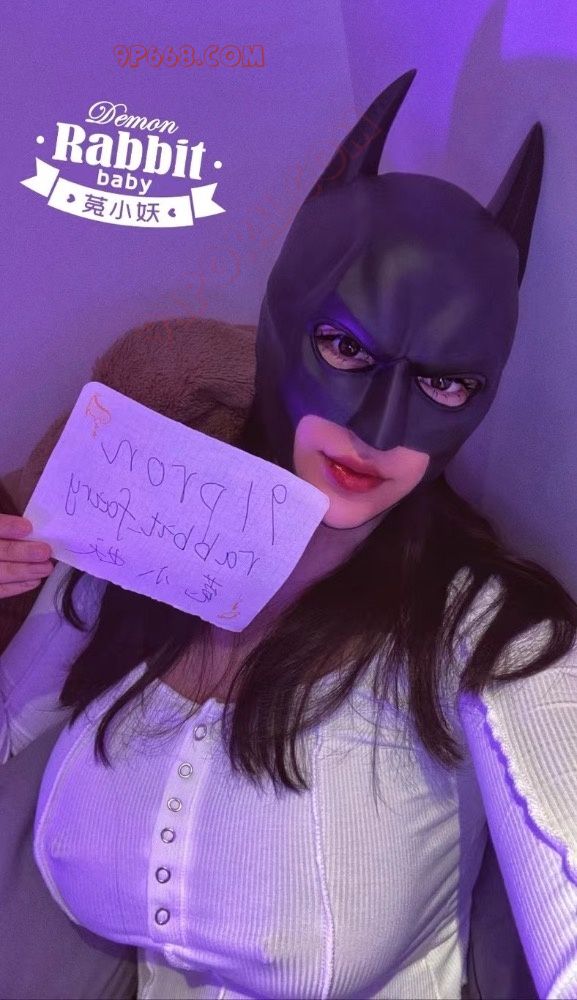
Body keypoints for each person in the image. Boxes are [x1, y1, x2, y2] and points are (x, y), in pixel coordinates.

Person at [2, 68, 577, 999]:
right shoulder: (133, 531)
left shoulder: (486, 633)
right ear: (281, 325)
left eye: (442, 383)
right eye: (346, 348)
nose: (378, 428)